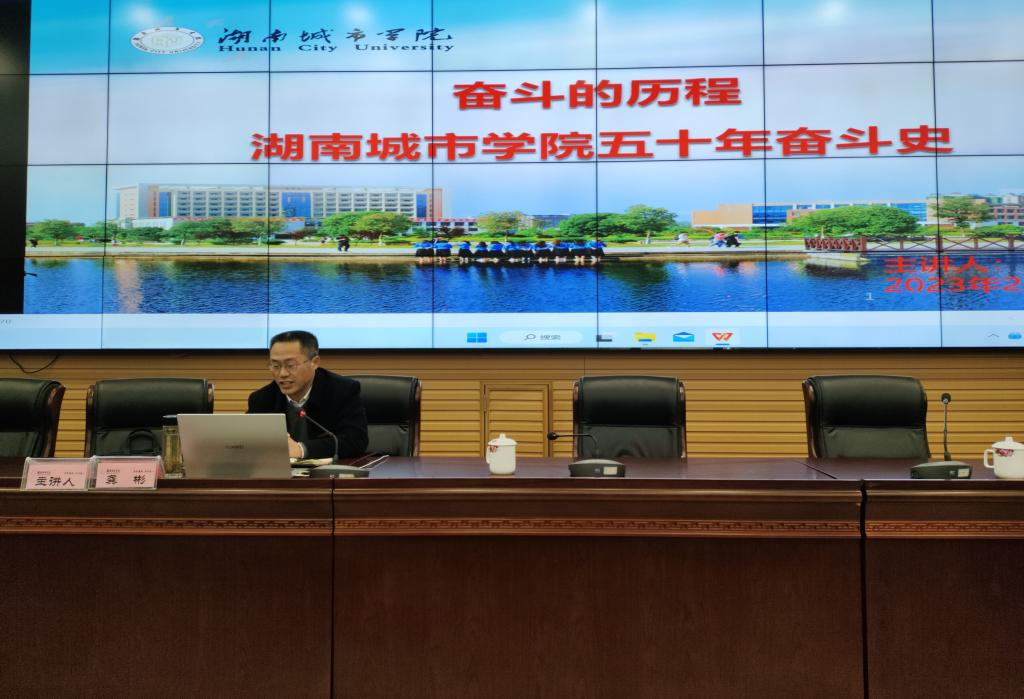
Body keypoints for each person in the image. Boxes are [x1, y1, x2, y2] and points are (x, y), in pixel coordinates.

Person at [248, 330, 368, 460]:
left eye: (290, 365)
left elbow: (356, 440)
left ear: (314, 362)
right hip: (279, 470)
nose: (282, 374)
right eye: (276, 366)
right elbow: (247, 442)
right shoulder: (261, 399)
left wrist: (302, 449)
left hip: (327, 470)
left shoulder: (342, 390)